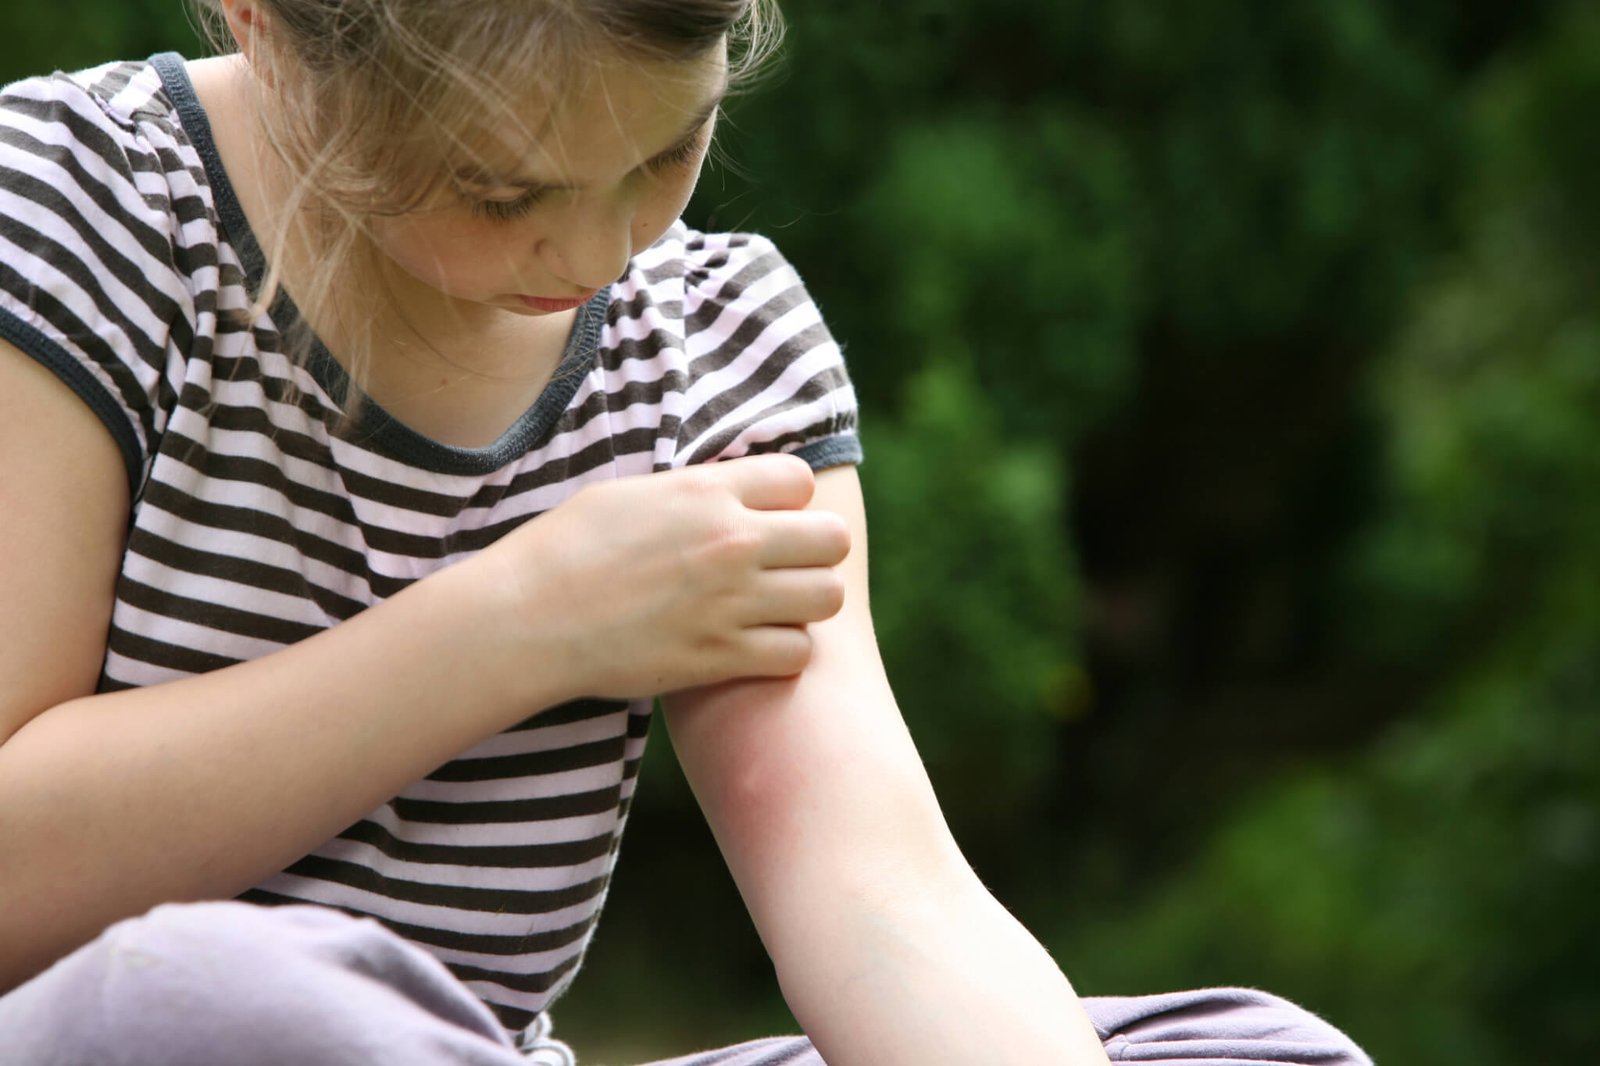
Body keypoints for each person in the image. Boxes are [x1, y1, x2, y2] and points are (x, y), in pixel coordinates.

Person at [0, 1, 1373, 1063]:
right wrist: (521, 624)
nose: (603, 253)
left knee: (1258, 1051)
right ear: (262, 23)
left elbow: (879, 893)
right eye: (501, 193)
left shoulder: (720, 352)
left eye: (666, 150)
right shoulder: (76, 206)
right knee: (216, 996)